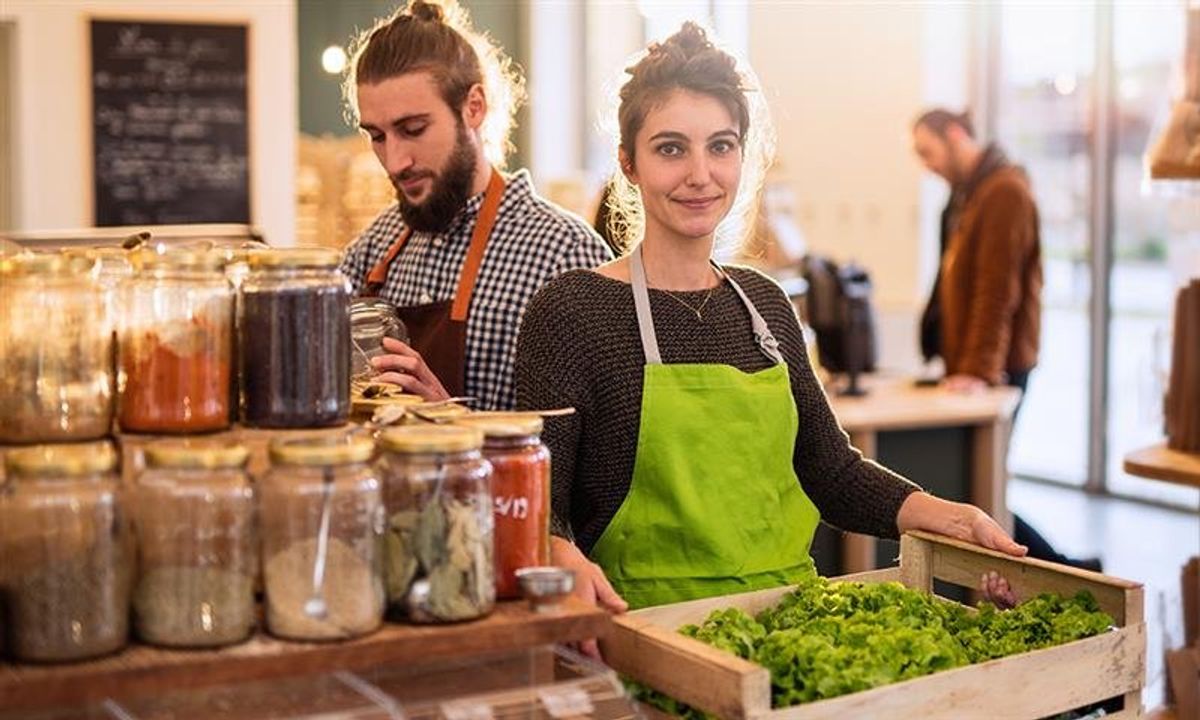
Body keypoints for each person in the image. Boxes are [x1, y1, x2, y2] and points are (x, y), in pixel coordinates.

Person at [515, 24, 1025, 626]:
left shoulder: (765, 304)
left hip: (785, 624)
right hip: (645, 634)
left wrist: (942, 512)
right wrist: (557, 551)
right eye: (671, 148)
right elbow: (538, 506)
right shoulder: (573, 311)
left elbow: (829, 471)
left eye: (721, 146)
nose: (701, 174)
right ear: (628, 162)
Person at [339, 0, 611, 411]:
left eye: (413, 129)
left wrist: (449, 420)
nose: (395, 161)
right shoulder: (372, 251)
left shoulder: (566, 256)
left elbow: (594, 452)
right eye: (377, 136)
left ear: (474, 107)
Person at [911, 108, 1100, 571]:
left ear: (955, 135)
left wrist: (977, 370)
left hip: (997, 367)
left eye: (927, 151)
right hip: (977, 364)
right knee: (981, 483)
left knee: (983, 484)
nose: (926, 164)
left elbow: (998, 292)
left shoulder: (1004, 193)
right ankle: (1068, 567)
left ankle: (1065, 570)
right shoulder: (970, 195)